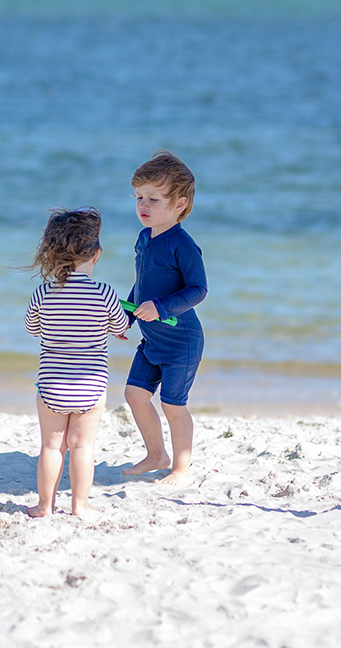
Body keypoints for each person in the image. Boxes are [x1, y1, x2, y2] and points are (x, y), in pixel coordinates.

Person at [24, 208, 129, 518]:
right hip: (91, 386)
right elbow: (120, 325)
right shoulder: (104, 293)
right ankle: (80, 506)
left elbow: (32, 328)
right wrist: (112, 328)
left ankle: (44, 505)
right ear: (96, 255)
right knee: (82, 447)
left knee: (51, 447)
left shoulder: (43, 293)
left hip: (52, 385)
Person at [123, 150, 207, 488]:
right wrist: (126, 316)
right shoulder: (145, 238)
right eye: (139, 197)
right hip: (151, 340)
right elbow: (141, 282)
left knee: (173, 405)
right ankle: (157, 455)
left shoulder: (182, 245)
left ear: (179, 205)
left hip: (180, 343)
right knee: (134, 395)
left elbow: (198, 290)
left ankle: (182, 468)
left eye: (153, 199)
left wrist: (160, 307)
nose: (143, 205)